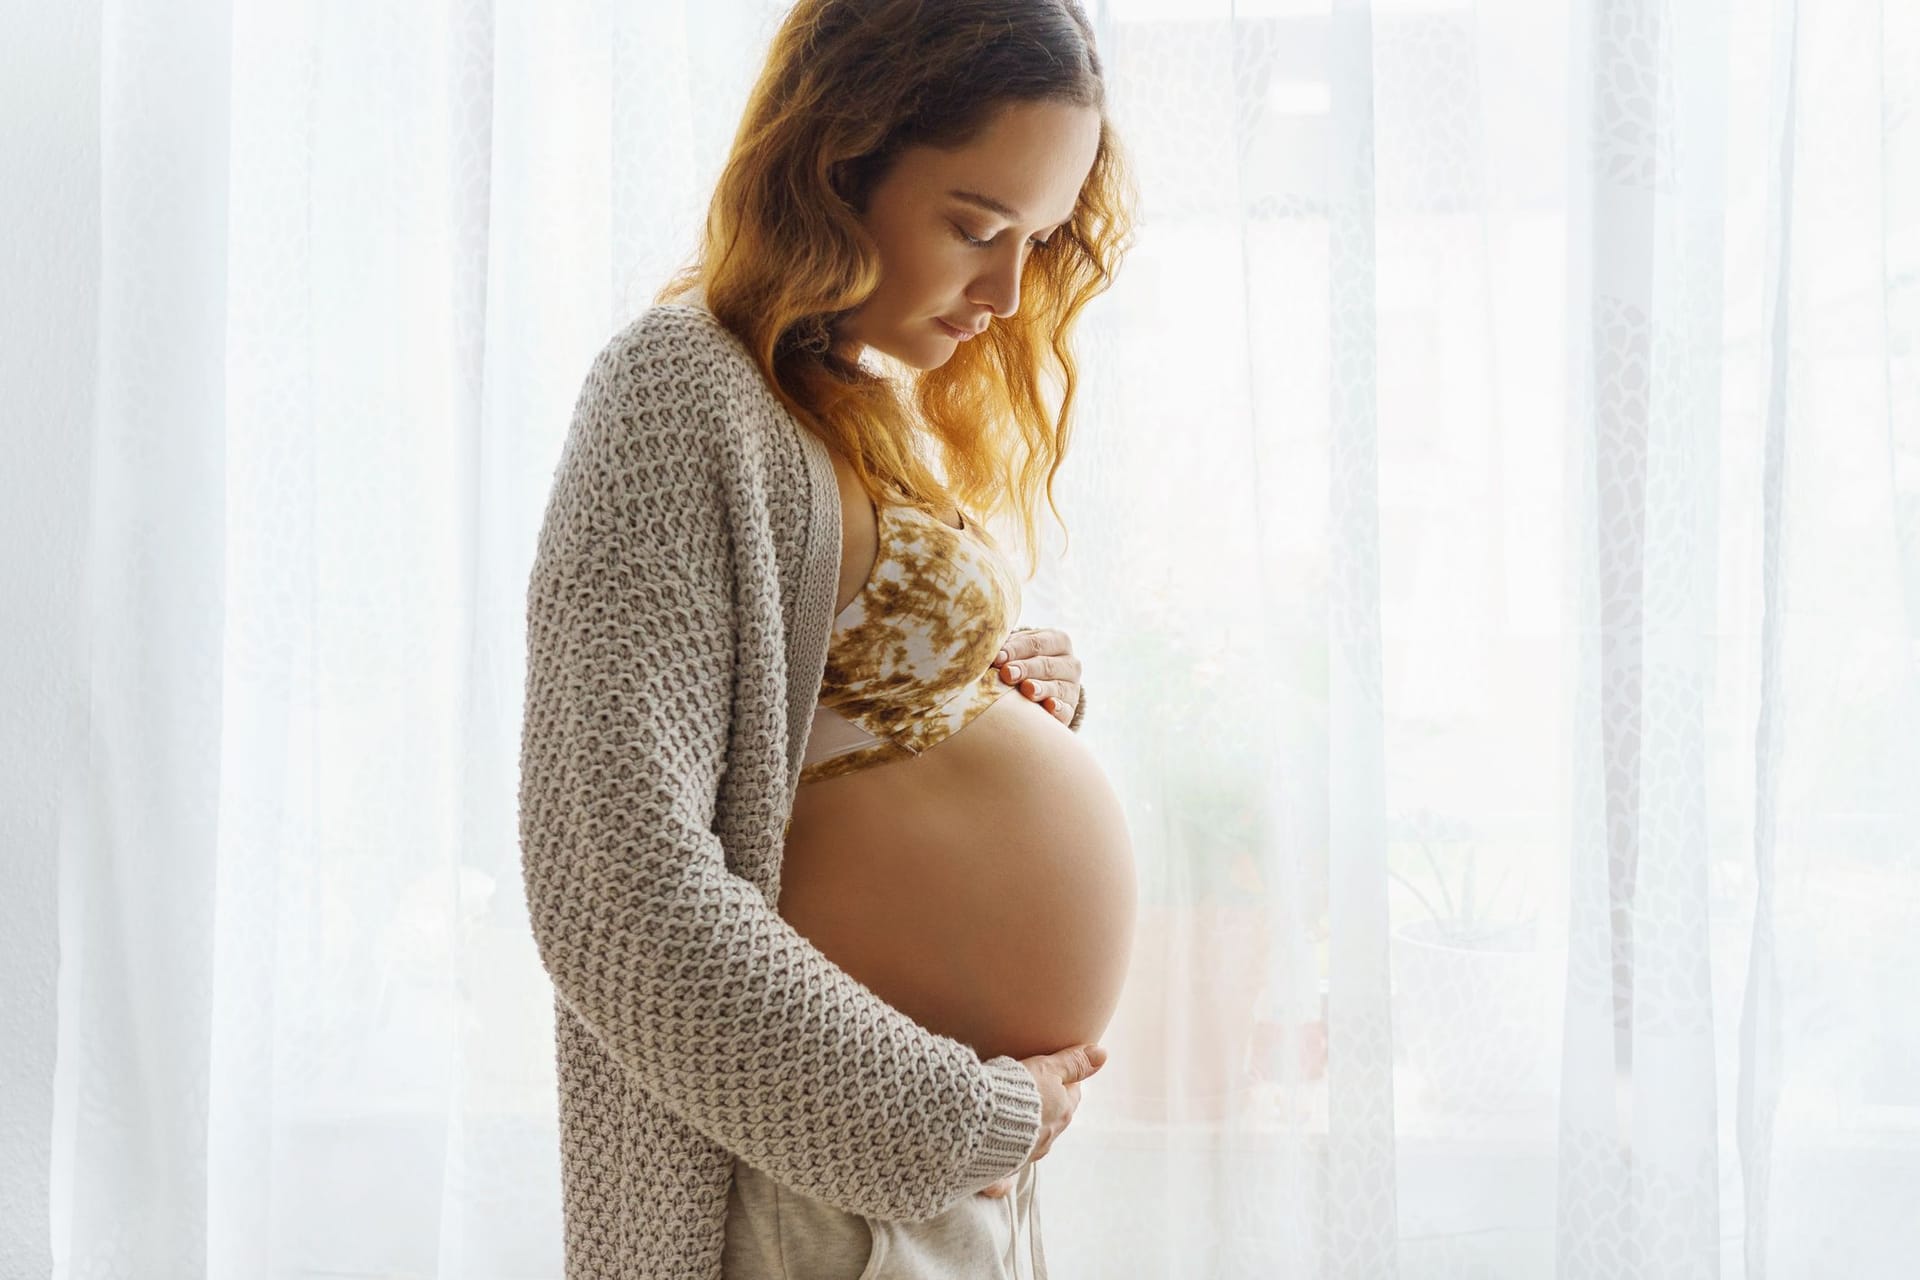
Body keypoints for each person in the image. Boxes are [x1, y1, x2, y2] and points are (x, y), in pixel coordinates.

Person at [517, 1, 1141, 1275]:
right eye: (974, 227)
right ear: (838, 159)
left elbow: (821, 733)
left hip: (922, 1195)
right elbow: (615, 886)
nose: (1008, 291)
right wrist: (961, 1117)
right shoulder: (676, 388)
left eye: (1040, 238)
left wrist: (995, 694)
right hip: (810, 1194)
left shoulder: (850, 405)